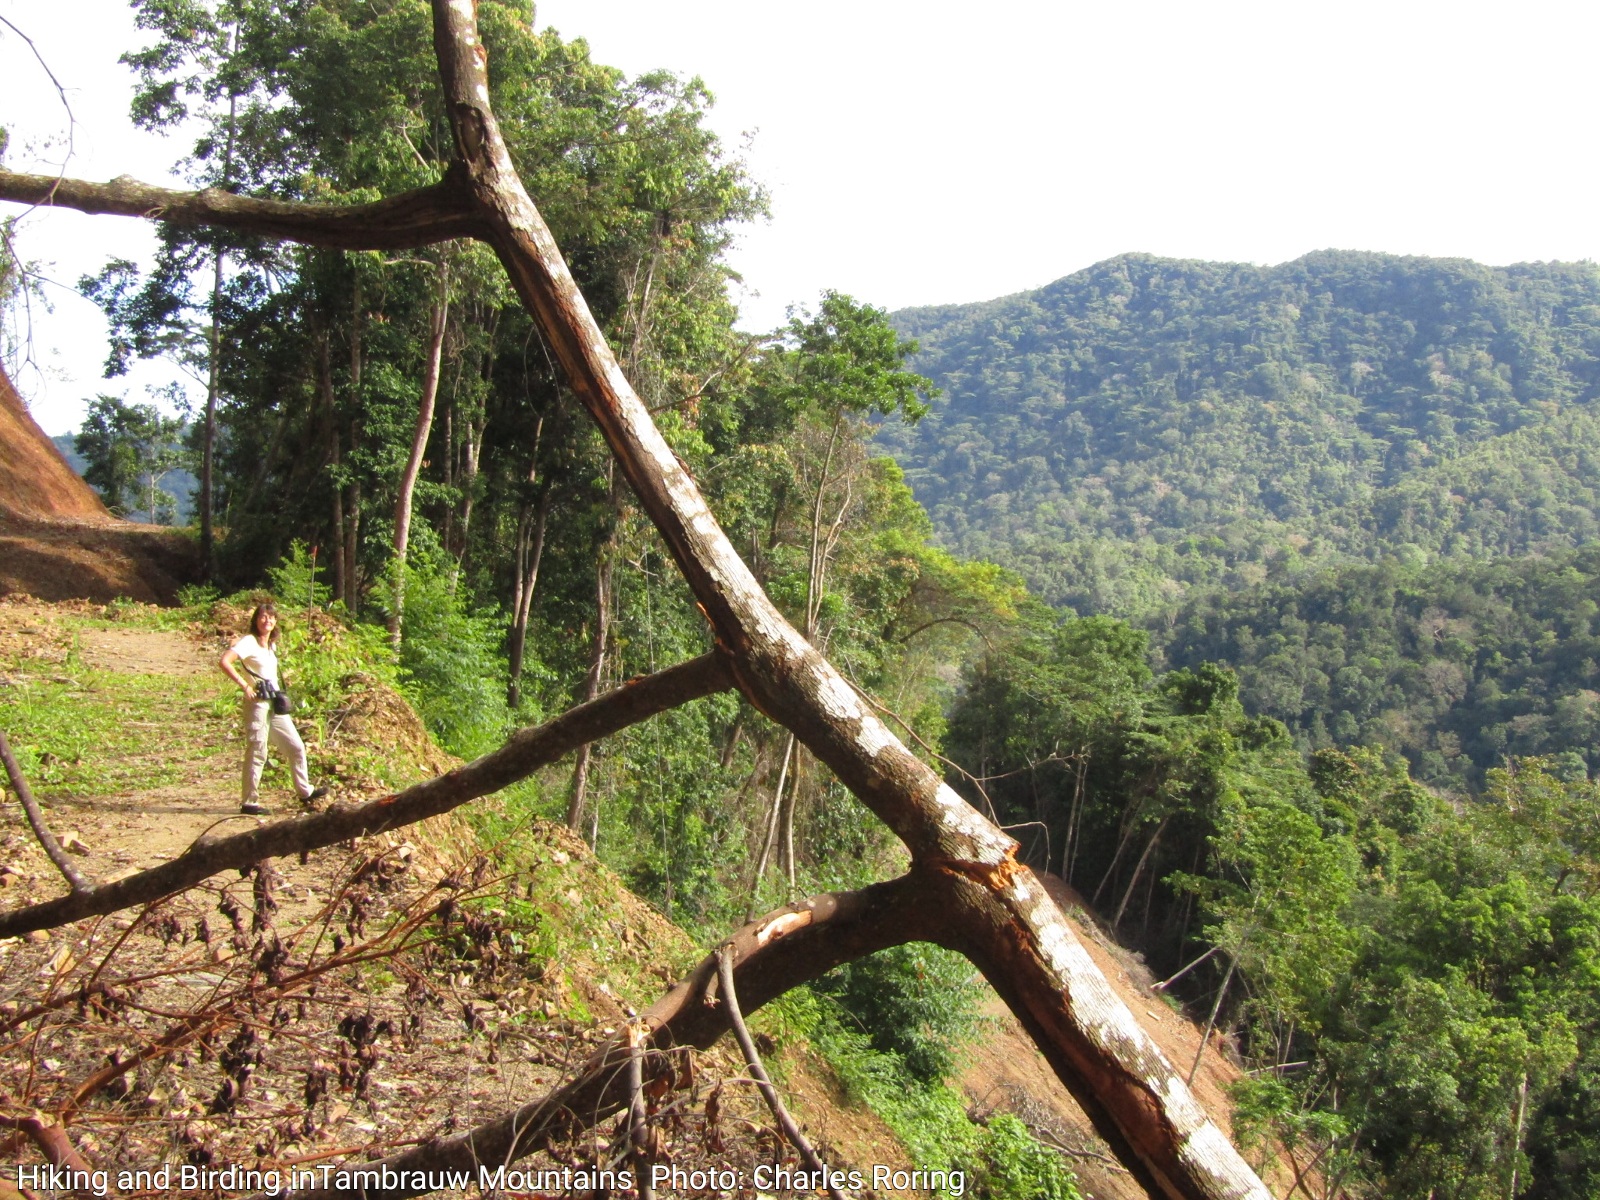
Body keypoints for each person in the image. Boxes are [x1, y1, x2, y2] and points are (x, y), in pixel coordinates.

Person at [219, 601, 326, 816]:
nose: (267, 620)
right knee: (258, 749)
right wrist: (244, 685)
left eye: (271, 617)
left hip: (274, 701)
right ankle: (249, 802)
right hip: (258, 702)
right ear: (256, 620)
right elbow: (225, 661)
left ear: (275, 621)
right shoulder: (248, 642)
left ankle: (305, 791)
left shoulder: (271, 645)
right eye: (262, 617)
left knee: (295, 746)